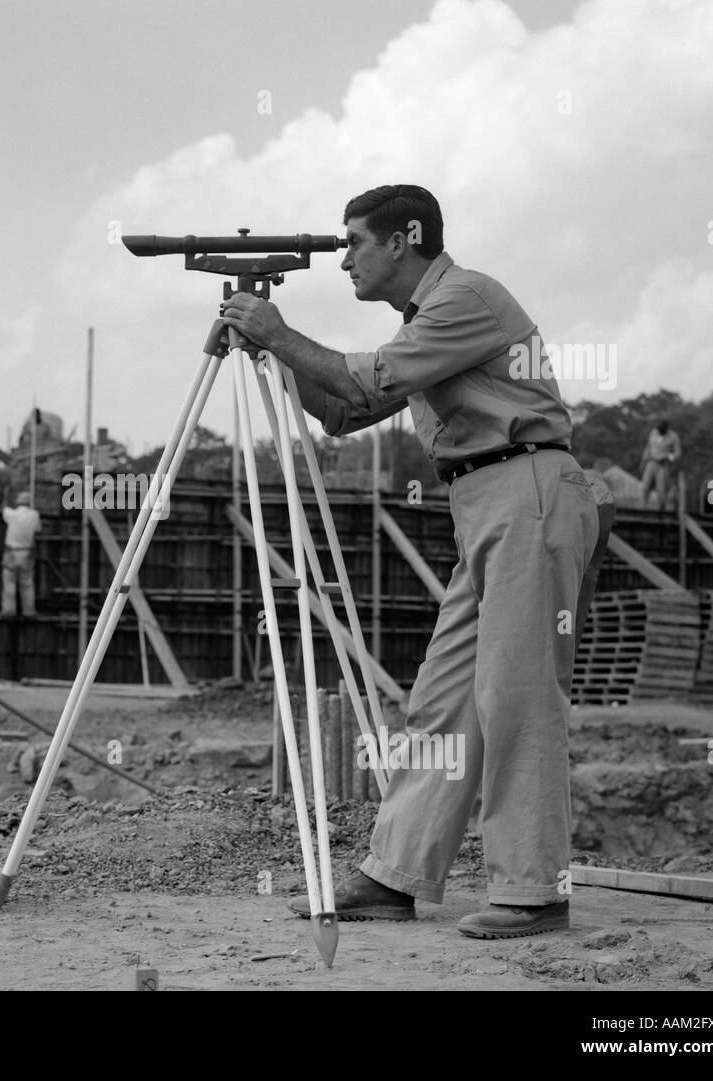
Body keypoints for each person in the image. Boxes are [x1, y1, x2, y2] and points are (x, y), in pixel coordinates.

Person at [221, 184, 603, 939]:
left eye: (355, 242)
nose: (346, 261)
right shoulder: (424, 323)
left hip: (525, 488)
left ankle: (533, 889)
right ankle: (395, 873)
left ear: (406, 238)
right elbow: (342, 411)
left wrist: (281, 328)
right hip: (485, 503)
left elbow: (364, 379)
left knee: (517, 697)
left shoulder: (465, 299)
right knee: (444, 699)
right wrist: (271, 345)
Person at [0, 490, 40, 618]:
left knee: (9, 582)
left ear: (18, 502)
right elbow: (38, 529)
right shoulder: (34, 515)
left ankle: (9, 611)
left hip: (11, 552)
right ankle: (29, 612)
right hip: (26, 553)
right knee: (27, 583)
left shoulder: (12, 514)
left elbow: (4, 509)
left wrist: (5, 497)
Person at [638, 419, 681, 511]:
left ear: (666, 428)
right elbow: (648, 447)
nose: (659, 431)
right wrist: (643, 461)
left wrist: (669, 457)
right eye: (659, 429)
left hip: (662, 465)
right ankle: (643, 508)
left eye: (662, 429)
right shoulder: (653, 432)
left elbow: (677, 453)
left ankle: (661, 510)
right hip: (651, 462)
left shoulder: (673, 437)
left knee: (661, 489)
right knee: (645, 486)